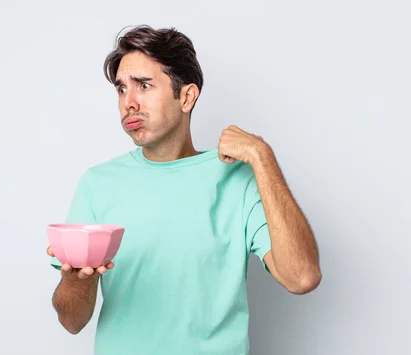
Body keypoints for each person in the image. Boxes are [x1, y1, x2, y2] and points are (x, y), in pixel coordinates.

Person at [46, 25, 321, 355]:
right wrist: (77, 280)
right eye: (121, 90)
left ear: (187, 96)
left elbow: (302, 277)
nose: (128, 103)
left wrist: (263, 157)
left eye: (144, 86)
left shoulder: (237, 179)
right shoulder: (98, 183)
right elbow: (72, 321)